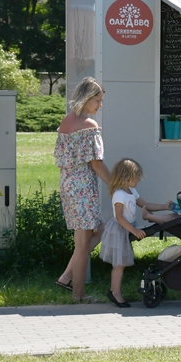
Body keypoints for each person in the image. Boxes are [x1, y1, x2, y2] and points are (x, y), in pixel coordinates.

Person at [54, 77, 112, 303]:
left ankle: (67, 276)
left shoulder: (66, 122)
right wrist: (116, 186)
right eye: (97, 100)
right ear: (87, 98)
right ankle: (78, 294)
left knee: (97, 230)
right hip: (83, 189)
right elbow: (97, 164)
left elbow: (61, 160)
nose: (100, 105)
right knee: (82, 243)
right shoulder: (90, 127)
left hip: (68, 186)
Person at [99, 158, 176, 307]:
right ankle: (115, 293)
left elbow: (146, 205)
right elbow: (119, 217)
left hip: (127, 227)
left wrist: (165, 206)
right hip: (119, 229)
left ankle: (114, 292)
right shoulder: (119, 194)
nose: (139, 180)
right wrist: (134, 230)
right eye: (137, 177)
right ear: (127, 177)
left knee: (121, 263)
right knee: (119, 263)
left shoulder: (132, 191)